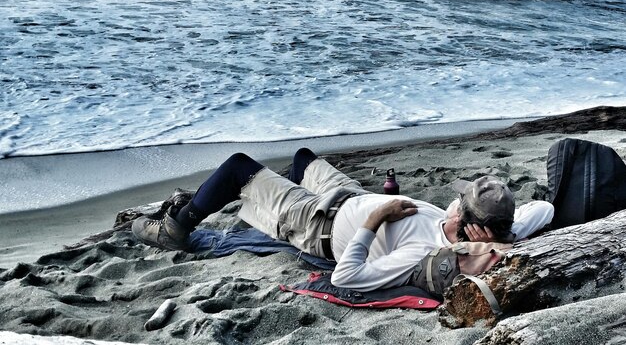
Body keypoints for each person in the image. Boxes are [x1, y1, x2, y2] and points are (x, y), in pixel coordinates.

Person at [132, 148, 554, 291]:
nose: (454, 202)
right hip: (350, 195)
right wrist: (503, 239)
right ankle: (264, 196)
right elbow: (545, 209)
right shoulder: (477, 224)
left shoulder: (424, 252)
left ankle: (176, 226)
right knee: (302, 159)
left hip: (319, 225)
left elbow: (346, 277)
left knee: (237, 167)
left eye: (461, 203)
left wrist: (375, 220)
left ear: (467, 221)